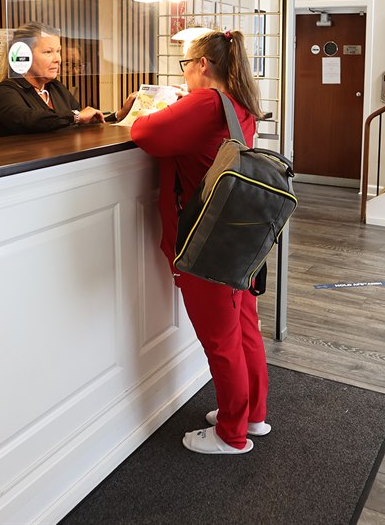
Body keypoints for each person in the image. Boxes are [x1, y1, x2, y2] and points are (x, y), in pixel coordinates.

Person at [130, 29, 270, 455]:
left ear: (203, 65)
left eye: (185, 65)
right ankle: (253, 415)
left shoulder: (206, 101)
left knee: (220, 340)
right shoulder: (238, 103)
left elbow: (144, 134)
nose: (185, 73)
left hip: (206, 241)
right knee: (245, 328)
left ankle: (232, 434)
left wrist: (165, 105)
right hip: (237, 238)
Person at [0, 23, 132, 135]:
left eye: (58, 51)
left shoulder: (56, 88)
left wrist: (119, 115)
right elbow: (31, 120)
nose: (57, 59)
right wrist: (75, 116)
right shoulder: (4, 91)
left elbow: (81, 122)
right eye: (48, 52)